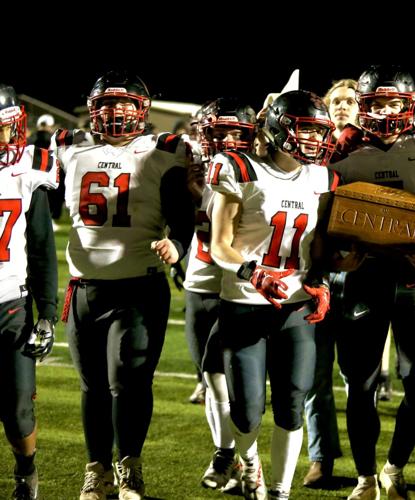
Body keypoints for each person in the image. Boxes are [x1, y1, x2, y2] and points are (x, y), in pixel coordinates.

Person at [52, 70, 197, 500]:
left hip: (138, 285)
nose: (116, 113)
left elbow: (182, 214)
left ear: (142, 111)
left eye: (125, 105)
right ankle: (96, 471)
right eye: (108, 105)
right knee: (92, 387)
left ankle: (129, 466)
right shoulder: (69, 146)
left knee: (129, 383)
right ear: (93, 110)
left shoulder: (162, 151)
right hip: (84, 288)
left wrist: (177, 244)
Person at [330, 65, 415, 500]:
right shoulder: (342, 151)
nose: (384, 111)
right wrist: (337, 255)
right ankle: (365, 478)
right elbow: (323, 219)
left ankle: (394, 467)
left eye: (392, 103)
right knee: (360, 381)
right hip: (364, 276)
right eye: (377, 103)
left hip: (414, 277)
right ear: (364, 106)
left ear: (408, 104)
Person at [208, 90, 336, 500]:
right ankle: (248, 462)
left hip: (294, 307)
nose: (315, 140)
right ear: (280, 128)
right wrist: (251, 271)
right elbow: (220, 243)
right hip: (245, 302)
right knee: (246, 410)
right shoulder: (238, 168)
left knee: (292, 402)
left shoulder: (324, 178)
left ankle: (278, 492)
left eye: (320, 131)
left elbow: (317, 249)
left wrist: (322, 281)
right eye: (306, 130)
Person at [182, 97, 259, 492]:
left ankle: (241, 458)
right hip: (201, 280)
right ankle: (226, 453)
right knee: (212, 380)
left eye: (236, 132)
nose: (228, 138)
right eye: (219, 131)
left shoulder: (259, 169)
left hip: (243, 285)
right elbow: (174, 222)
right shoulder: (190, 166)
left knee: (242, 383)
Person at [0, 84, 59, 500]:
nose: (5, 139)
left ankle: (26, 472)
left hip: (11, 305)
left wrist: (47, 312)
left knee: (18, 409)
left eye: (7, 128)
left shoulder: (27, 169)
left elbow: (40, 245)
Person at [301, 79, 359, 488]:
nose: (341, 107)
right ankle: (321, 457)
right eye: (335, 101)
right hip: (316, 268)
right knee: (315, 373)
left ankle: (366, 463)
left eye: (349, 101)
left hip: (357, 273)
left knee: (358, 376)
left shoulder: (372, 151)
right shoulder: (308, 147)